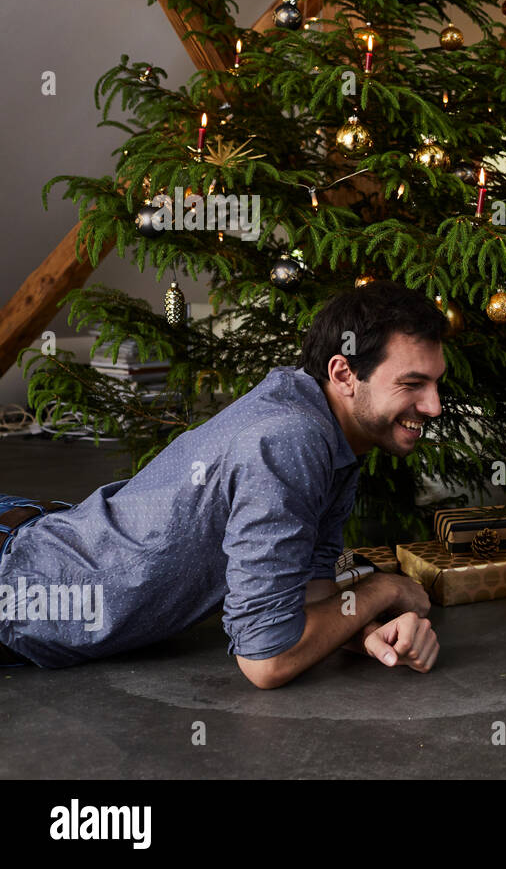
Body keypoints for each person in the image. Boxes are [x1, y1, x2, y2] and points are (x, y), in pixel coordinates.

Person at [0, 282, 444, 686]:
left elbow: (309, 595)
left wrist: (368, 634)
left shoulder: (331, 427)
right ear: (344, 374)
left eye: (436, 383)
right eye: (413, 384)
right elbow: (267, 659)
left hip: (42, 534)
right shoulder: (293, 437)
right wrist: (383, 589)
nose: (434, 406)